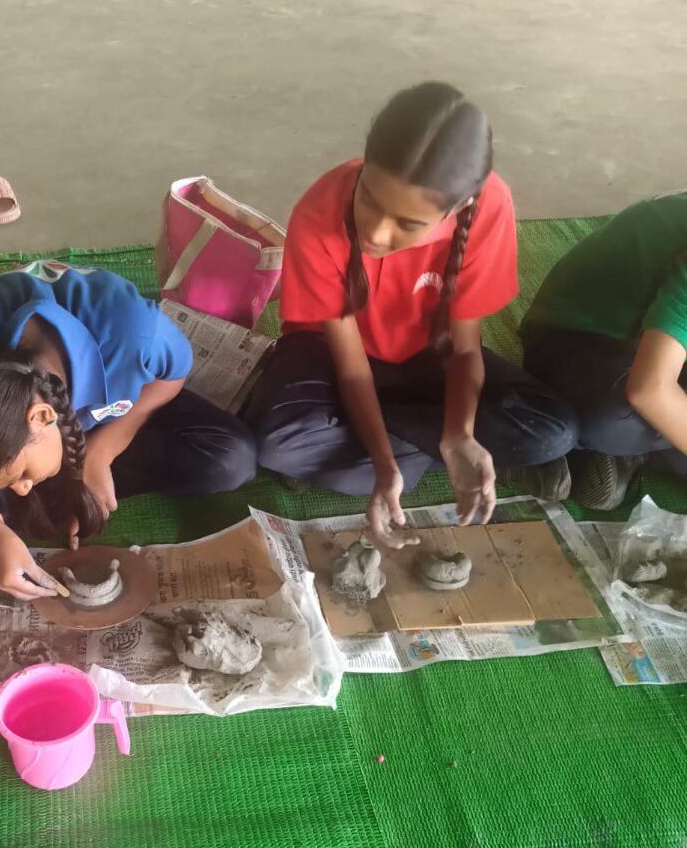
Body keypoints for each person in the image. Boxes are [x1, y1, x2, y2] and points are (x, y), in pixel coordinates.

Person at [245, 82, 577, 545]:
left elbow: (464, 351)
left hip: (428, 355)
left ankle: (366, 451)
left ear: (459, 208)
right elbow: (352, 369)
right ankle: (409, 454)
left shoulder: (489, 206)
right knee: (278, 443)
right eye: (369, 199)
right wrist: (384, 465)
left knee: (553, 432)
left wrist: (459, 433)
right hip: (332, 357)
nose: (376, 233)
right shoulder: (319, 213)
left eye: (408, 224)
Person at [0, 261, 257, 597]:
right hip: (33, 442)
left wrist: (101, 452)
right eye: (18, 481)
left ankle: (59, 487)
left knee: (229, 459)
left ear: (42, 416)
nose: (21, 488)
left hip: (103, 420)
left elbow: (173, 376)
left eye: (21, 477)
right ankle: (41, 495)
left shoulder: (133, 336)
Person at [521, 193, 687, 510]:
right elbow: (650, 390)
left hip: (653, 342)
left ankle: (633, 452)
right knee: (610, 422)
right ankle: (618, 450)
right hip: (579, 337)